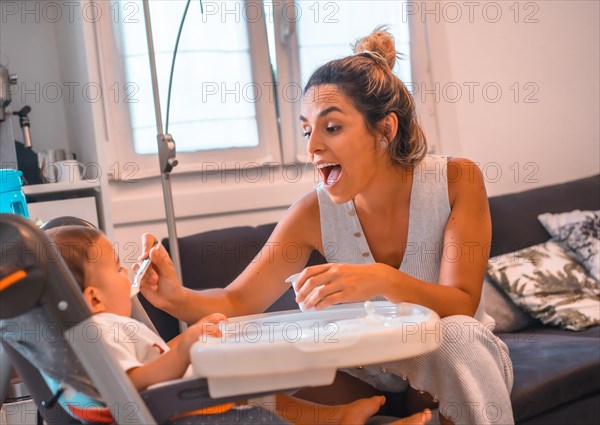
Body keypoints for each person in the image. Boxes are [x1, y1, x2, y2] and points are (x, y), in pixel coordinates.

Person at [139, 28, 512, 425]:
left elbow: (461, 304)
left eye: (331, 127)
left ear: (385, 129)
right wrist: (173, 297)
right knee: (246, 385)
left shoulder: (457, 179)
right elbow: (236, 302)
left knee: (454, 335)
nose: (312, 146)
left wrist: (380, 279)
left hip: (449, 361)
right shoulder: (311, 212)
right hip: (367, 370)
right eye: (306, 130)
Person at [48, 225, 429, 425]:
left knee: (269, 397)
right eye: (116, 268)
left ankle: (336, 418)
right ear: (94, 298)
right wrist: (184, 349)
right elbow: (126, 385)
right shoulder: (100, 330)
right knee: (263, 411)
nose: (125, 271)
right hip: (184, 412)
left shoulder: (91, 332)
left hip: (189, 402)